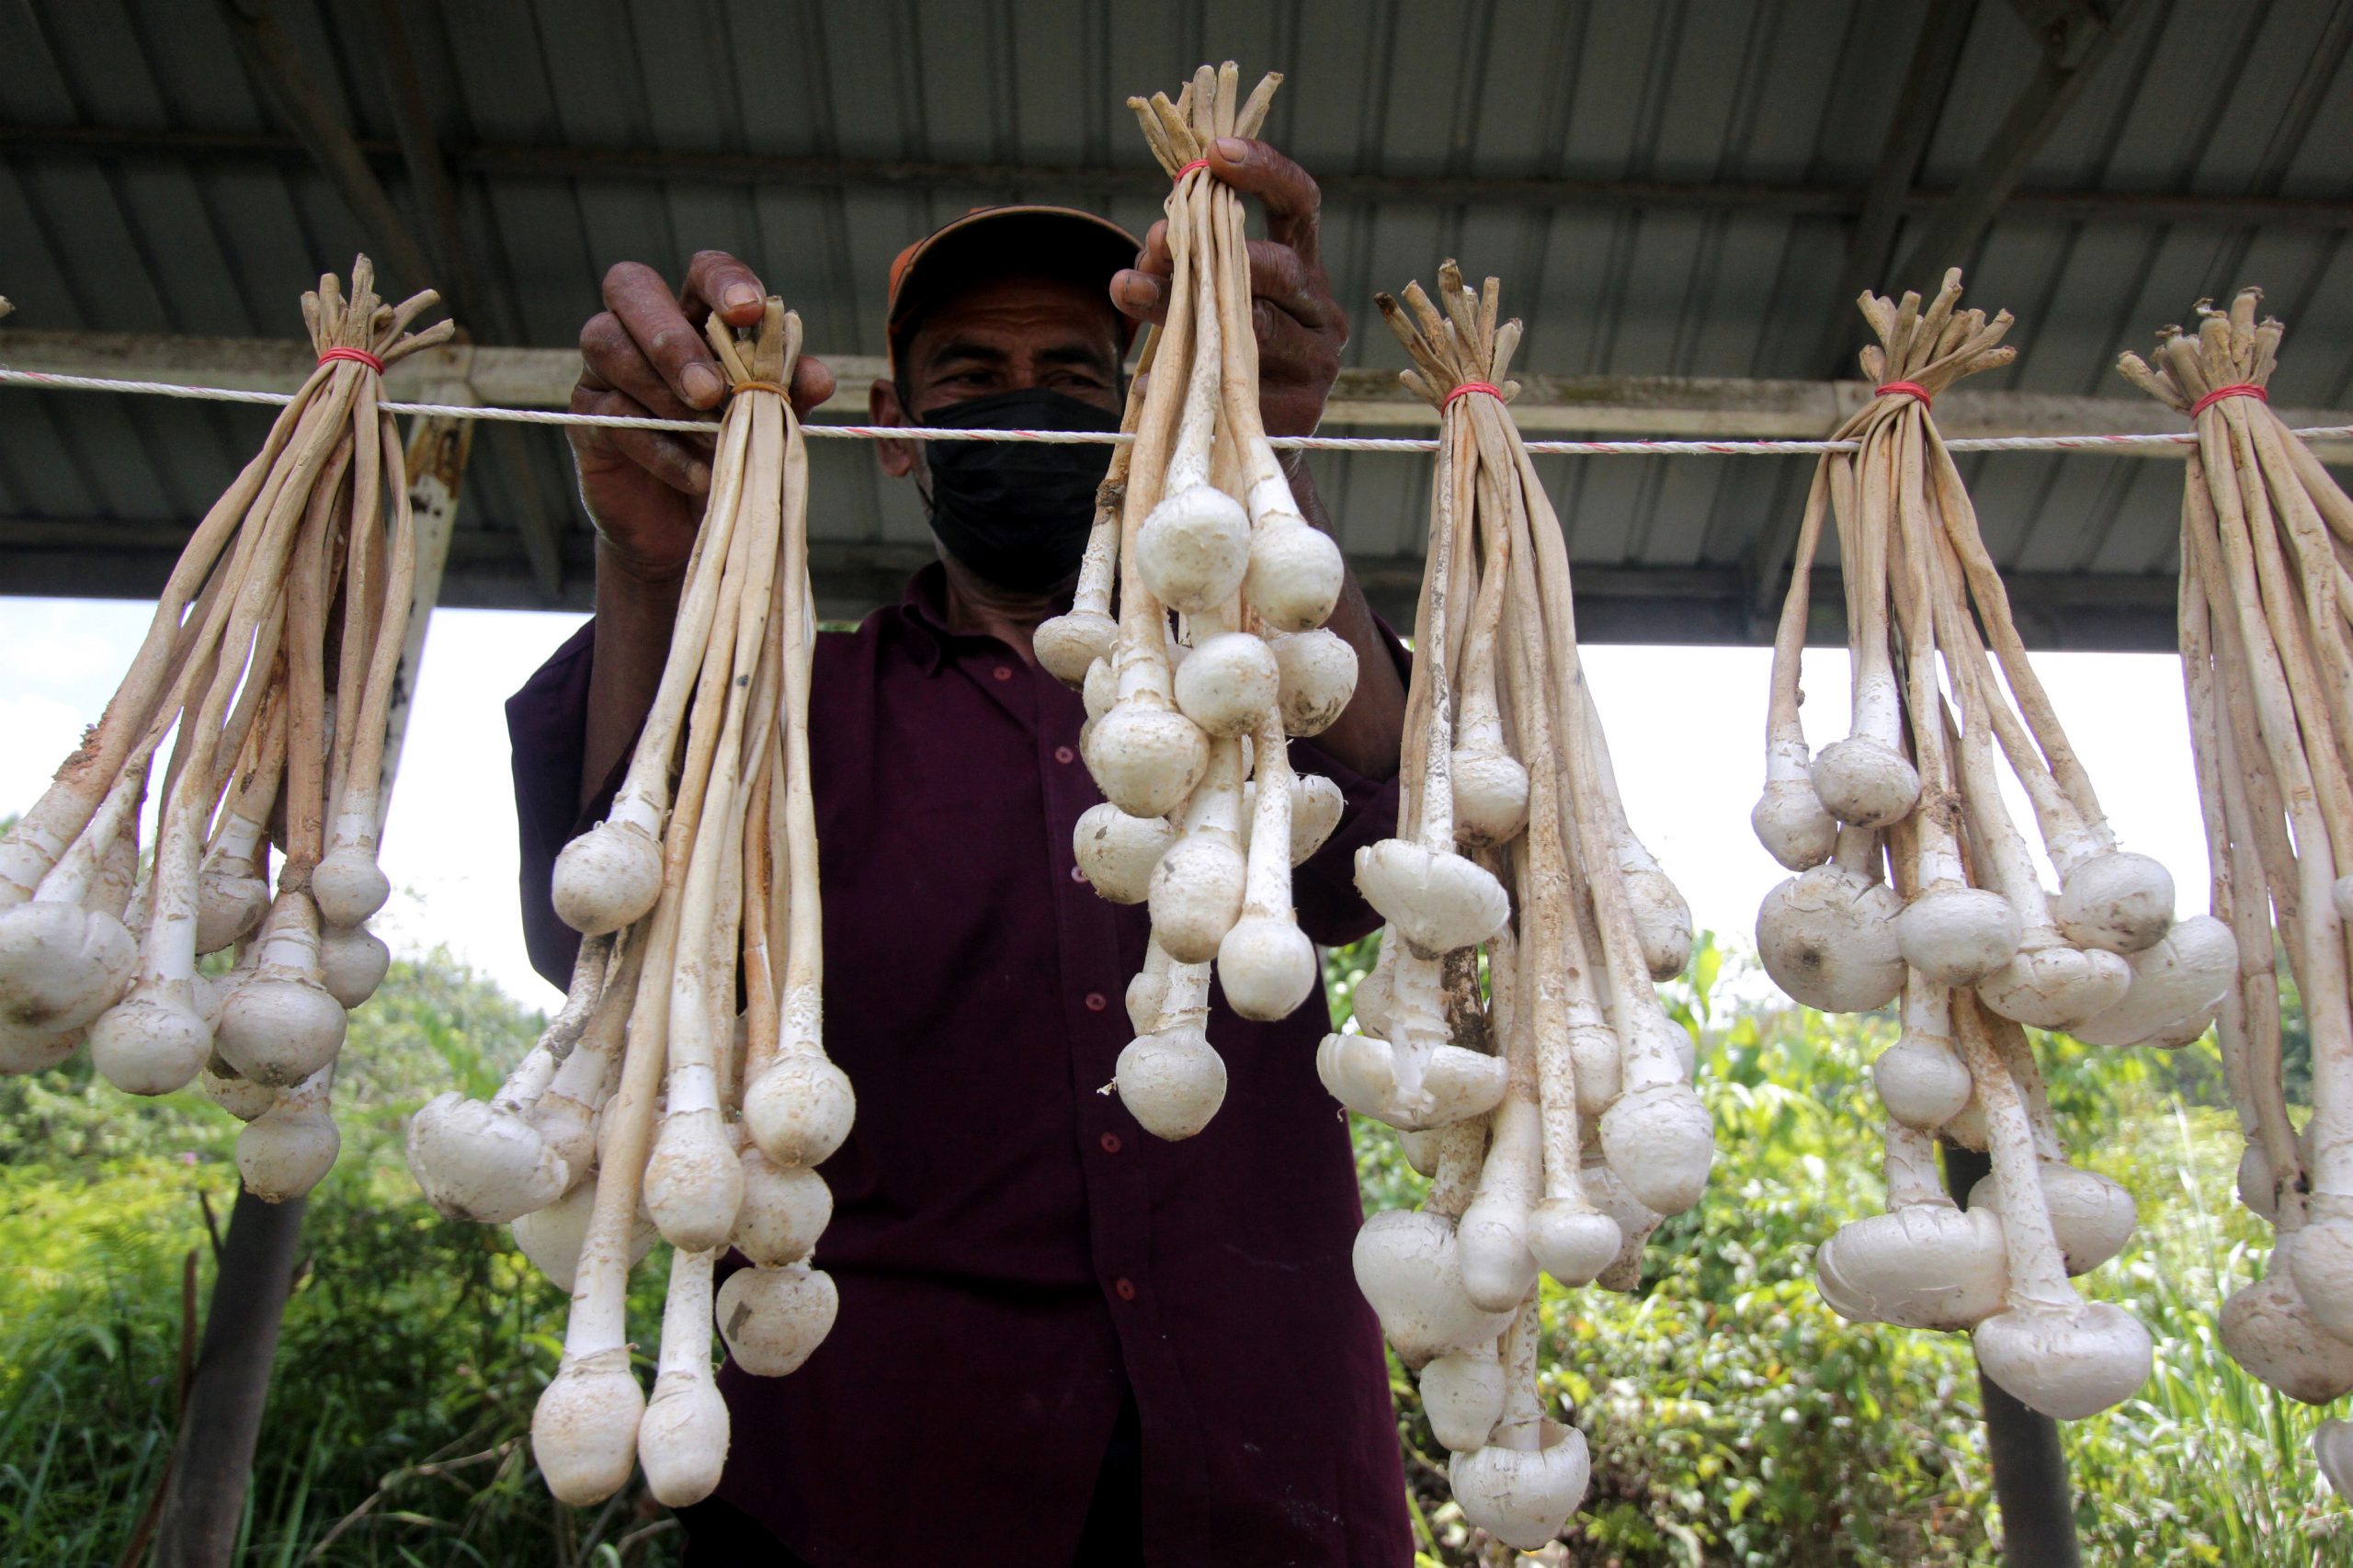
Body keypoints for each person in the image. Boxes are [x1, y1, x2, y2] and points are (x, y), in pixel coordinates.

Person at [506, 135, 1415, 1567]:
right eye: (973, 382)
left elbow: (1392, 831)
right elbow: (603, 938)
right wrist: (652, 564)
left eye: (1074, 373)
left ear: (1144, 412)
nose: (1029, 405)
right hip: (867, 1479)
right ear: (895, 428)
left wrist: (1262, 468)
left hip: (1263, 1470)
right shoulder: (791, 704)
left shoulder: (1244, 704)